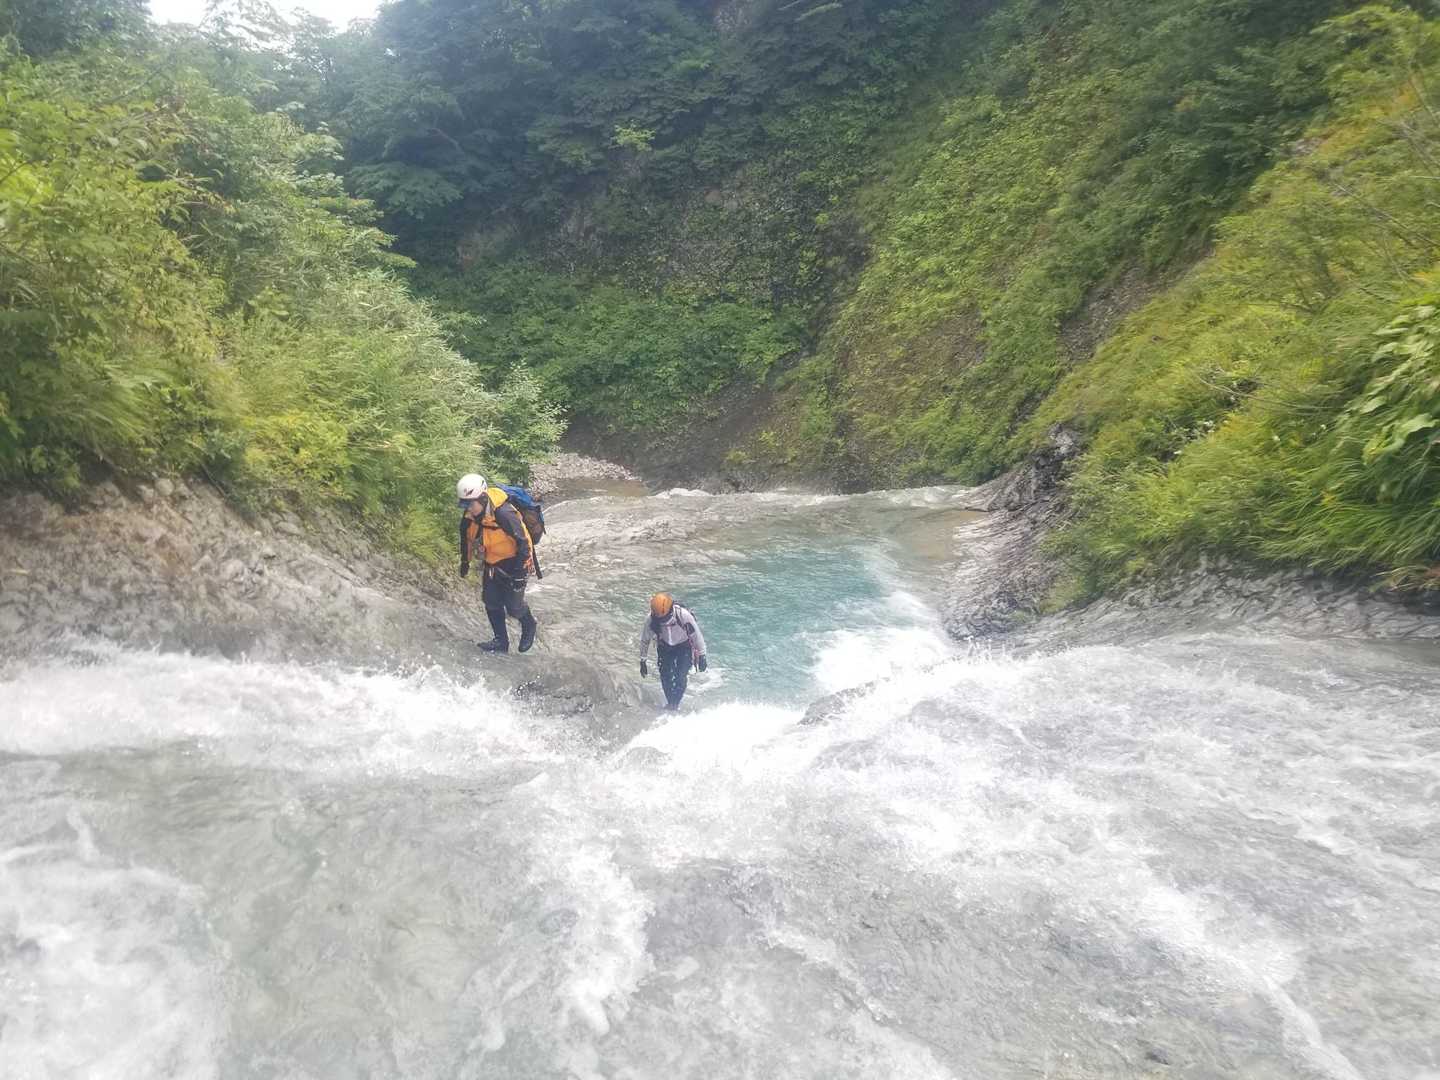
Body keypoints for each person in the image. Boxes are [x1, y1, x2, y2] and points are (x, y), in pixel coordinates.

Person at [457, 473, 538, 653]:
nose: (468, 509)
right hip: (493, 563)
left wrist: (520, 573)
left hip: (516, 561)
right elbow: (466, 539)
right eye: (465, 504)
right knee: (491, 601)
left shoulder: (504, 513)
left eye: (470, 504)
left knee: (513, 606)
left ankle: (529, 624)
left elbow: (524, 542)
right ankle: (501, 641)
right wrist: (465, 562)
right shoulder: (470, 517)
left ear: (483, 498)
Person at [639, 593, 707, 710]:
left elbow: (697, 636)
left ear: (671, 611)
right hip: (664, 646)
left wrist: (702, 655)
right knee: (665, 675)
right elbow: (645, 640)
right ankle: (671, 702)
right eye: (660, 619)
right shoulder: (651, 619)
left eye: (664, 618)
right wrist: (643, 660)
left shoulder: (683, 615)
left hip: (684, 646)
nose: (663, 622)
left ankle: (674, 704)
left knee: (681, 675)